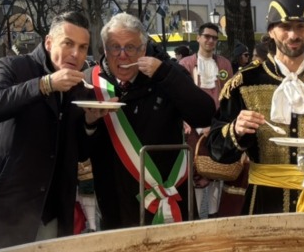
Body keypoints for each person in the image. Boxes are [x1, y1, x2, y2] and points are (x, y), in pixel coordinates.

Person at [0, 10, 92, 251]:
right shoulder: (14, 66)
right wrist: (45, 85)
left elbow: (78, 151)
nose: (75, 54)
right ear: (48, 42)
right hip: (3, 209)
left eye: (82, 47)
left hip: (50, 209)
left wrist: (91, 122)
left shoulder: (80, 87)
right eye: (68, 44)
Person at [210, 0, 304, 214]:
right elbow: (216, 150)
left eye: (300, 27)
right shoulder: (244, 83)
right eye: (284, 27)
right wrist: (236, 130)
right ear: (271, 31)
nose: (293, 35)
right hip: (262, 204)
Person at [85, 13, 216, 229]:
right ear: (105, 50)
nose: (123, 55)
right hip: (118, 204)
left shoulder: (167, 72)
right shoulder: (90, 82)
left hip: (173, 195)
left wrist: (165, 74)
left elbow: (204, 114)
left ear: (143, 49)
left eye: (131, 47)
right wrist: (89, 124)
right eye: (114, 47)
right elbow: (79, 150)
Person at [178, 22, 234, 218]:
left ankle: (214, 215)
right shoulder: (185, 65)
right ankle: (194, 217)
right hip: (193, 129)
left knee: (218, 171)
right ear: (198, 38)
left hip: (218, 127)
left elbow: (229, 97)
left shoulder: (225, 64)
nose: (210, 40)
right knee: (196, 171)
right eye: (207, 36)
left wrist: (220, 124)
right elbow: (179, 97)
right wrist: (193, 124)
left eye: (214, 38)